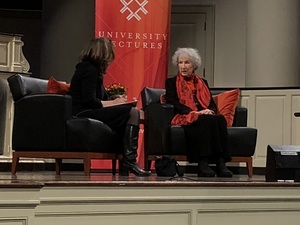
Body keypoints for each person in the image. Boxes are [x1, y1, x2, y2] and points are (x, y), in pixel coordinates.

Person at [69, 37, 151, 176]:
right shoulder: (90, 70)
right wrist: (114, 104)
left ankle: (127, 161)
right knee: (133, 113)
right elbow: (90, 101)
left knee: (130, 113)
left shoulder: (91, 69)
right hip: (83, 112)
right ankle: (130, 161)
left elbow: (99, 98)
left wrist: (114, 99)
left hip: (90, 110)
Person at [165, 47, 233, 177]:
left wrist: (210, 111)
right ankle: (203, 163)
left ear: (194, 65)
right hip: (185, 115)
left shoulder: (203, 82)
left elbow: (211, 104)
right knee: (204, 120)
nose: (183, 66)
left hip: (204, 115)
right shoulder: (171, 82)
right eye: (180, 63)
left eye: (187, 63)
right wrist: (195, 113)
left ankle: (221, 162)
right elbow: (173, 102)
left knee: (218, 118)